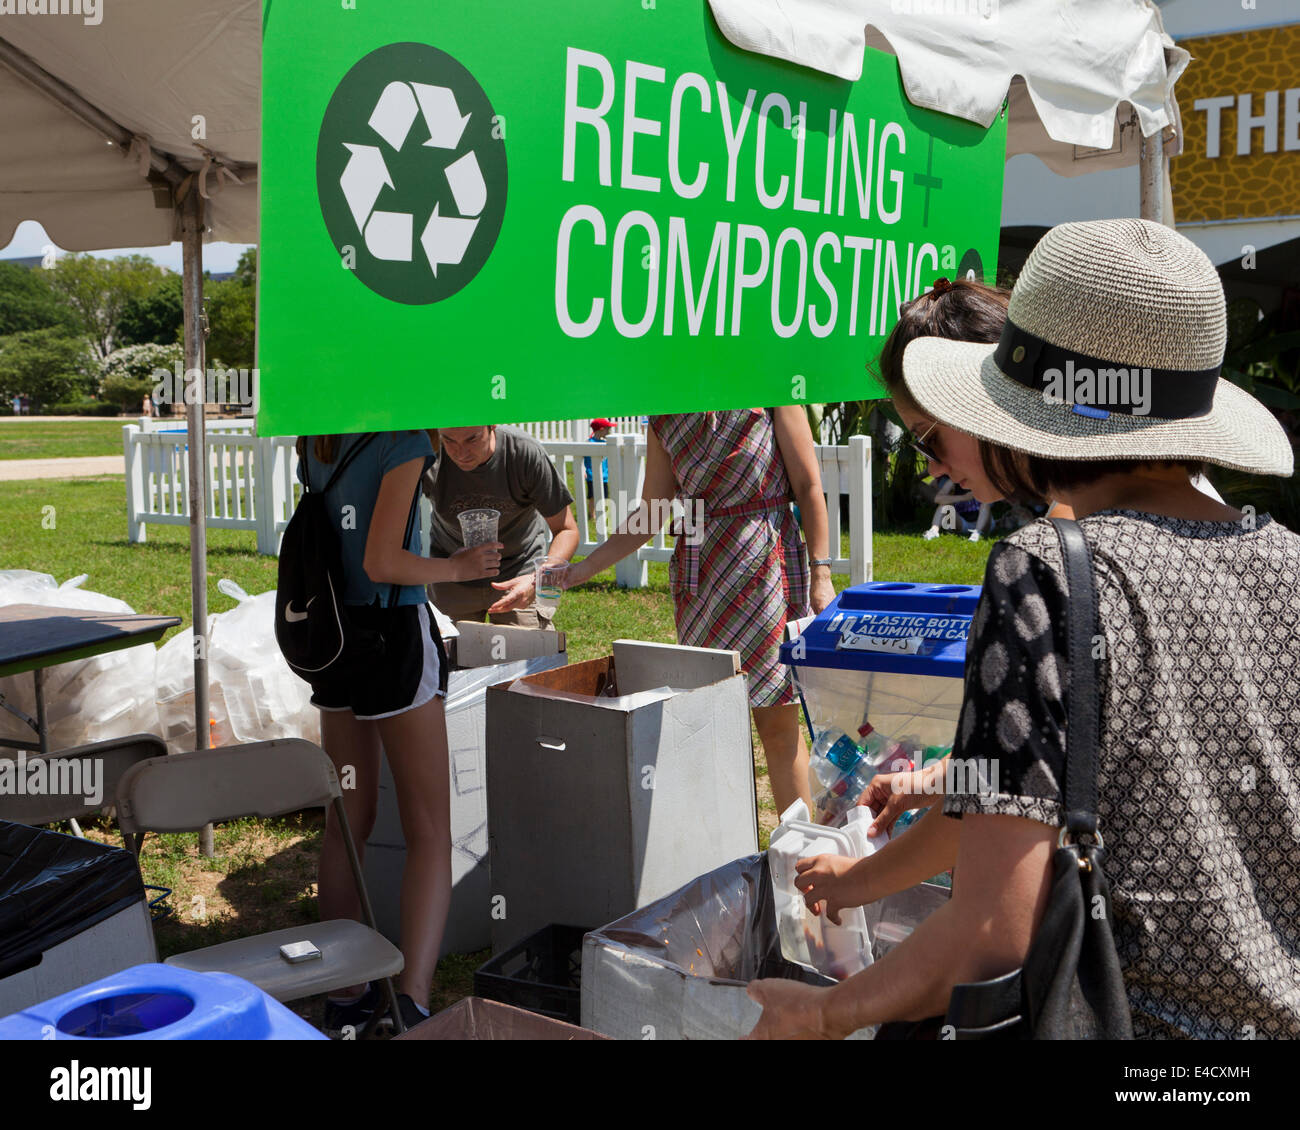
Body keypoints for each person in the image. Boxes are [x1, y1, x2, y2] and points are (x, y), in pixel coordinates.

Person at [747, 218, 1300, 1039]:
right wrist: (945, 787)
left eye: (935, 437)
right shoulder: (1287, 560)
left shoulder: (1043, 570)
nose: (935, 459)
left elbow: (991, 937)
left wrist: (825, 1015)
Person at [296, 431, 502, 1035]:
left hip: (334, 638)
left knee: (347, 824)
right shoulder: (403, 439)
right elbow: (382, 560)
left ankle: (346, 990)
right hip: (392, 639)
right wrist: (455, 567)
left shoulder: (317, 435)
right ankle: (410, 999)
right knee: (430, 832)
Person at [563, 408, 836, 815]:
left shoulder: (770, 390)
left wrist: (822, 571)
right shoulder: (667, 410)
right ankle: (726, 863)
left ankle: (799, 868)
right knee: (711, 723)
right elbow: (654, 511)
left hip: (764, 567)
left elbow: (809, 484)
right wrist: (582, 569)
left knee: (777, 725)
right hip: (701, 577)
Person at [423, 425, 579, 628]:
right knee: (446, 656)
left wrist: (536, 581)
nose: (461, 453)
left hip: (518, 571)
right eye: (449, 440)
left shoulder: (523, 452)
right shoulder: (427, 454)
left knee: (529, 656)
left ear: (492, 426)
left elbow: (567, 530)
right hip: (450, 574)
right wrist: (450, 569)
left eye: (472, 439)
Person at [584, 418, 614, 500]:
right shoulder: (589, 443)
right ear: (601, 430)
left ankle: (604, 511)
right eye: (608, 430)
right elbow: (582, 457)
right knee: (592, 497)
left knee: (605, 496)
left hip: (604, 476)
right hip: (591, 476)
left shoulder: (605, 443)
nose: (609, 432)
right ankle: (592, 513)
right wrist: (583, 470)